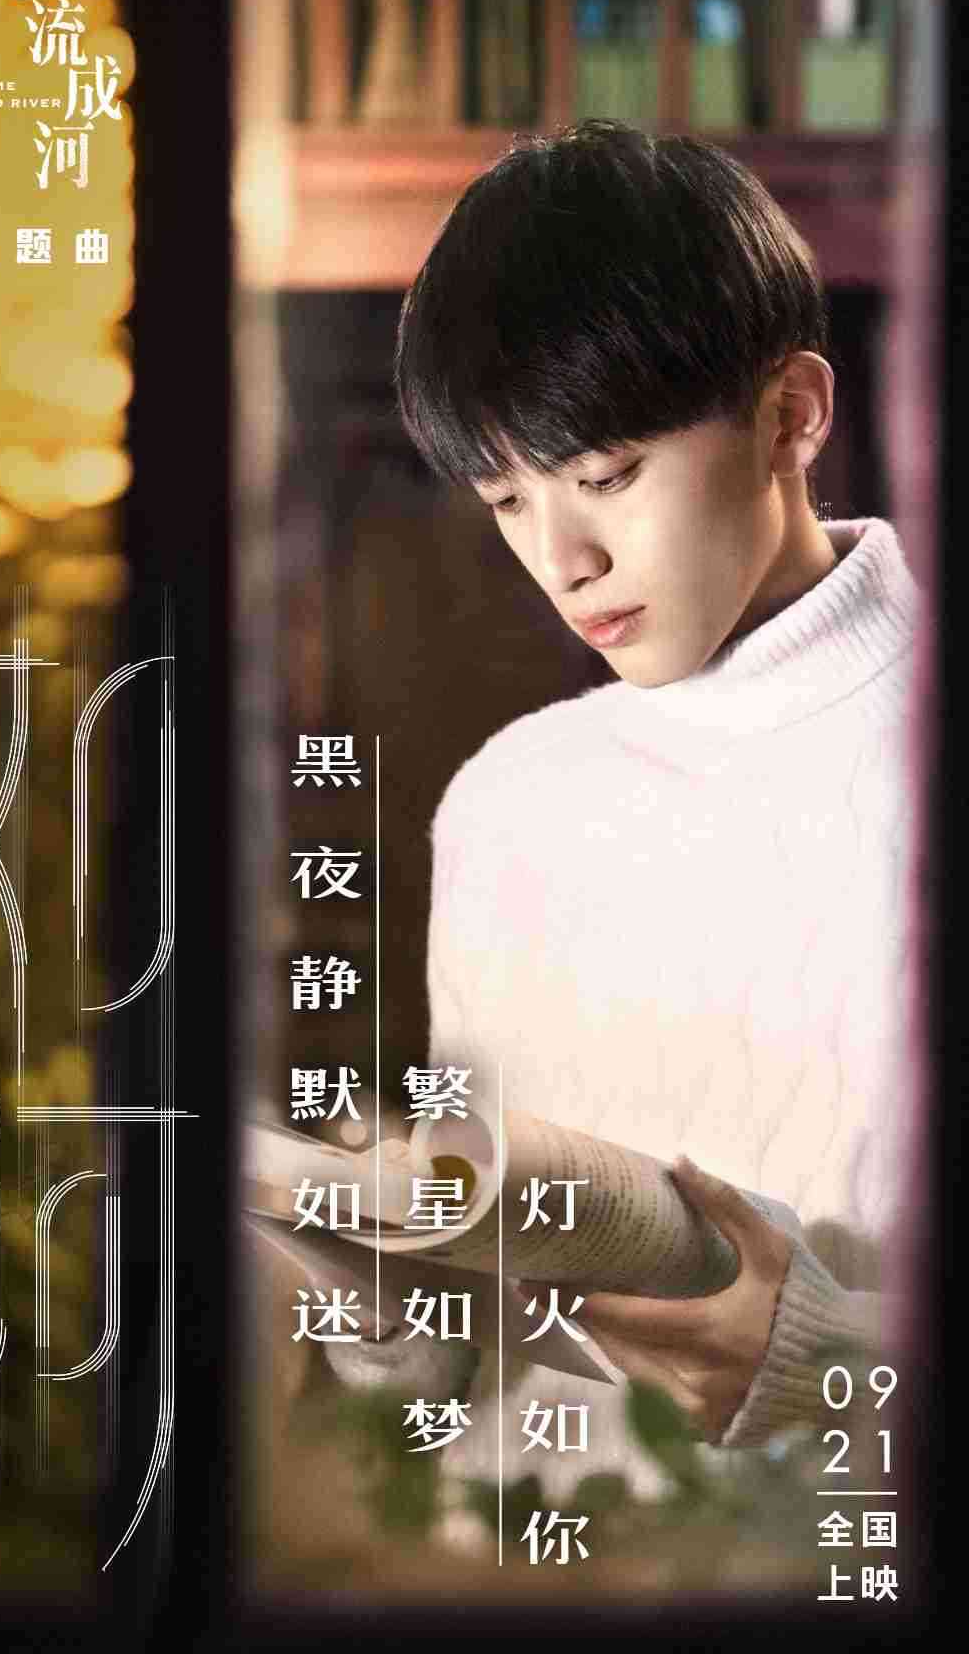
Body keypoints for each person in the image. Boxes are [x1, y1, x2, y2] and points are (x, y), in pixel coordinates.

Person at [323, 120, 918, 1496]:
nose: (564, 559)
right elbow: (490, 1346)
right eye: (509, 501)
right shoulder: (508, 805)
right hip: (533, 1556)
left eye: (604, 477)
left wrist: (831, 1358)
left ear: (792, 415)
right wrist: (374, 1303)